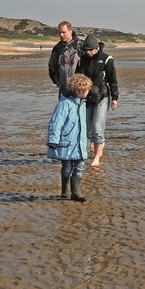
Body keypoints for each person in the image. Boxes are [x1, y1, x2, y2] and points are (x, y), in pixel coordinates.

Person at [47, 73, 91, 202]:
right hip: (66, 141)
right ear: (79, 91)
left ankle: (76, 192)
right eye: (86, 90)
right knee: (66, 168)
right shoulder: (64, 103)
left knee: (80, 166)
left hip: (80, 142)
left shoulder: (82, 104)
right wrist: (53, 140)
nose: (89, 92)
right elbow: (56, 122)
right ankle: (64, 189)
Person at [76, 33, 119, 167]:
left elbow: (113, 80)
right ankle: (96, 143)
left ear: (96, 48)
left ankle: (97, 157)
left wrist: (115, 98)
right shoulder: (82, 60)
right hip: (87, 97)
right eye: (86, 50)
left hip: (102, 96)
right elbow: (78, 78)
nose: (88, 52)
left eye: (91, 50)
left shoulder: (106, 59)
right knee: (86, 129)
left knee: (97, 128)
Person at [48, 21, 82, 98]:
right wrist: (57, 81)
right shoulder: (57, 48)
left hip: (79, 89)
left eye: (64, 32)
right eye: (59, 32)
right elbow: (51, 66)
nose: (61, 35)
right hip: (63, 89)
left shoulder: (80, 46)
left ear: (70, 31)